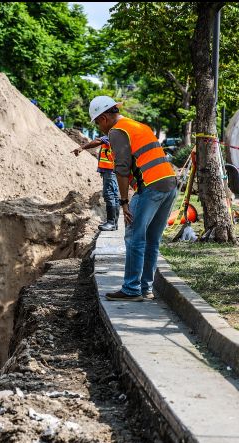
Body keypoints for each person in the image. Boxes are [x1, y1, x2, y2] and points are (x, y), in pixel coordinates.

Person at [88, 95, 178, 301]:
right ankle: (145, 288)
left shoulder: (117, 131)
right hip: (169, 184)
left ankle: (131, 289)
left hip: (152, 186)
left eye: (97, 123)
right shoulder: (138, 126)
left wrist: (124, 202)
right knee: (152, 240)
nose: (100, 129)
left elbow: (121, 169)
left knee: (135, 237)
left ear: (103, 118)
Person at [72, 136, 120, 231]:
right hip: (111, 169)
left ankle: (111, 222)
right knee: (113, 195)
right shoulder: (119, 135)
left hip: (110, 170)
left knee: (109, 194)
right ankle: (114, 222)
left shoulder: (112, 134)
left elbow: (98, 141)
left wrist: (81, 148)